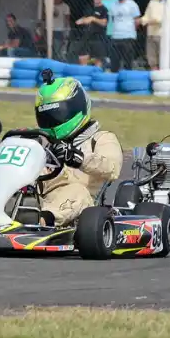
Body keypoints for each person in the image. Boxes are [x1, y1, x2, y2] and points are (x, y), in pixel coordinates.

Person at [31, 69, 122, 226]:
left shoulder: (101, 138)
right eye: (47, 116)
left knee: (76, 191)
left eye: (57, 113)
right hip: (43, 196)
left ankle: (44, 220)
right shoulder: (45, 143)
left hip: (83, 207)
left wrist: (78, 158)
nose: (53, 121)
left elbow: (112, 169)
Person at [107, 0, 141, 71]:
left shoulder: (132, 4)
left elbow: (137, 20)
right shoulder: (113, 5)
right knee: (114, 63)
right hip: (115, 37)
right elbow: (113, 19)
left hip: (128, 37)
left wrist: (130, 31)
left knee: (128, 62)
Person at [140, 0, 170, 70]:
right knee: (152, 59)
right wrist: (142, 21)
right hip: (151, 34)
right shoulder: (152, 2)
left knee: (163, 59)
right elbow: (146, 16)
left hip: (163, 35)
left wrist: (152, 21)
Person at [74, 0, 109, 67]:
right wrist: (82, 20)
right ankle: (84, 75)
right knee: (82, 58)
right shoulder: (88, 7)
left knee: (98, 60)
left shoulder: (104, 9)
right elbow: (86, 17)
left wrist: (93, 19)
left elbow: (104, 22)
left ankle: (96, 75)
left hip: (98, 38)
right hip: (86, 36)